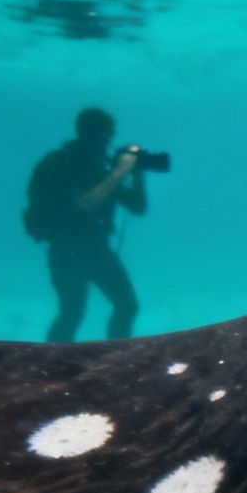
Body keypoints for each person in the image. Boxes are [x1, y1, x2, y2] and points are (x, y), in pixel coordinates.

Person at [24, 107, 145, 342]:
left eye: (110, 135)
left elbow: (137, 207)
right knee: (72, 313)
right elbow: (81, 206)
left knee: (127, 305)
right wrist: (119, 173)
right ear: (89, 133)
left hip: (96, 249)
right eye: (104, 135)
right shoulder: (59, 165)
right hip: (66, 250)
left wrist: (136, 175)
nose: (107, 142)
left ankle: (115, 355)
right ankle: (53, 364)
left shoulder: (101, 169)